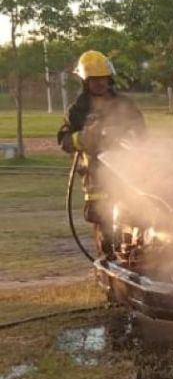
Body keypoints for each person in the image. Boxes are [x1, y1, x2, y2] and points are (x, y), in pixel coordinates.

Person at [57, 50, 145, 255]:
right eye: (94, 80)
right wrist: (84, 138)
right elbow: (64, 140)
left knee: (137, 222)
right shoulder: (78, 109)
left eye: (103, 79)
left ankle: (136, 268)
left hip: (129, 175)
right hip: (96, 179)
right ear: (85, 82)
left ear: (109, 78)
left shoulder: (125, 105)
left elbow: (141, 133)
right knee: (105, 228)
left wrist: (126, 136)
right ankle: (108, 274)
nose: (99, 83)